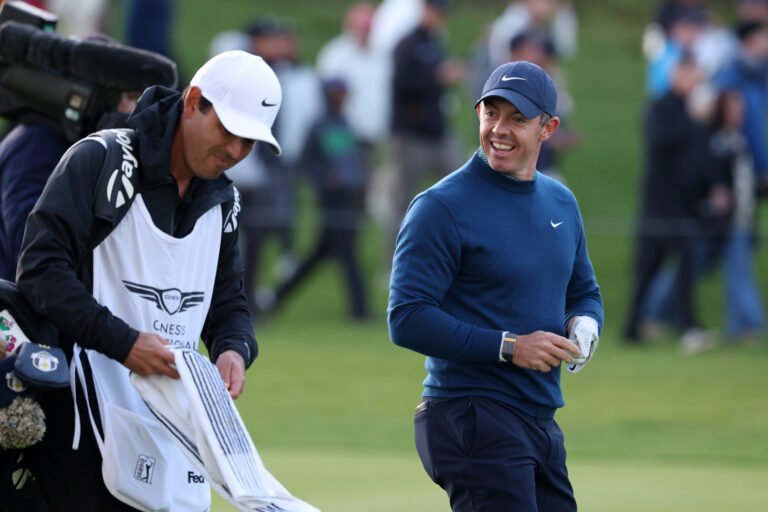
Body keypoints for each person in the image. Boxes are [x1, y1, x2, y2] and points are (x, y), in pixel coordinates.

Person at [15, 50, 281, 510]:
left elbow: (227, 301)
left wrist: (234, 349)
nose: (236, 151)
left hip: (175, 431)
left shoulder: (224, 201)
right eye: (229, 131)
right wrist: (124, 343)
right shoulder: (100, 158)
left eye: (249, 142)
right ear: (193, 102)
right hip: (82, 427)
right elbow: (40, 269)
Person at [388, 60, 603, 511]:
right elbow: (407, 318)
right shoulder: (440, 207)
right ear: (478, 114)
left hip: (539, 417)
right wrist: (511, 347)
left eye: (518, 119)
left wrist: (585, 324)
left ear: (548, 128)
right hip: (470, 413)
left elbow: (583, 291)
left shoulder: (561, 202)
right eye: (491, 113)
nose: (499, 130)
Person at [623, 56, 716, 352]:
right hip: (660, 204)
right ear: (677, 75)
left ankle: (658, 326)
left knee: (673, 263)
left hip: (683, 203)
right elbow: (660, 139)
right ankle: (658, 327)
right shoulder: (662, 107)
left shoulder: (696, 111)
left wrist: (708, 190)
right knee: (651, 268)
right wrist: (693, 120)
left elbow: (701, 158)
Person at [263, 78, 370, 321]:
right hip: (332, 199)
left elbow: (352, 160)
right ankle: (360, 310)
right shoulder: (319, 125)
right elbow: (305, 163)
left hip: (350, 199)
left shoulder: (346, 123)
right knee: (347, 254)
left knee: (324, 254)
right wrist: (325, 179)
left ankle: (275, 298)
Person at [385, 0, 466, 276]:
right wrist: (437, 77)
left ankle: (459, 255)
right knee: (403, 200)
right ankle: (394, 264)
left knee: (460, 187)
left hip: (437, 131)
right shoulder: (407, 44)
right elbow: (402, 83)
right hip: (410, 135)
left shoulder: (435, 44)